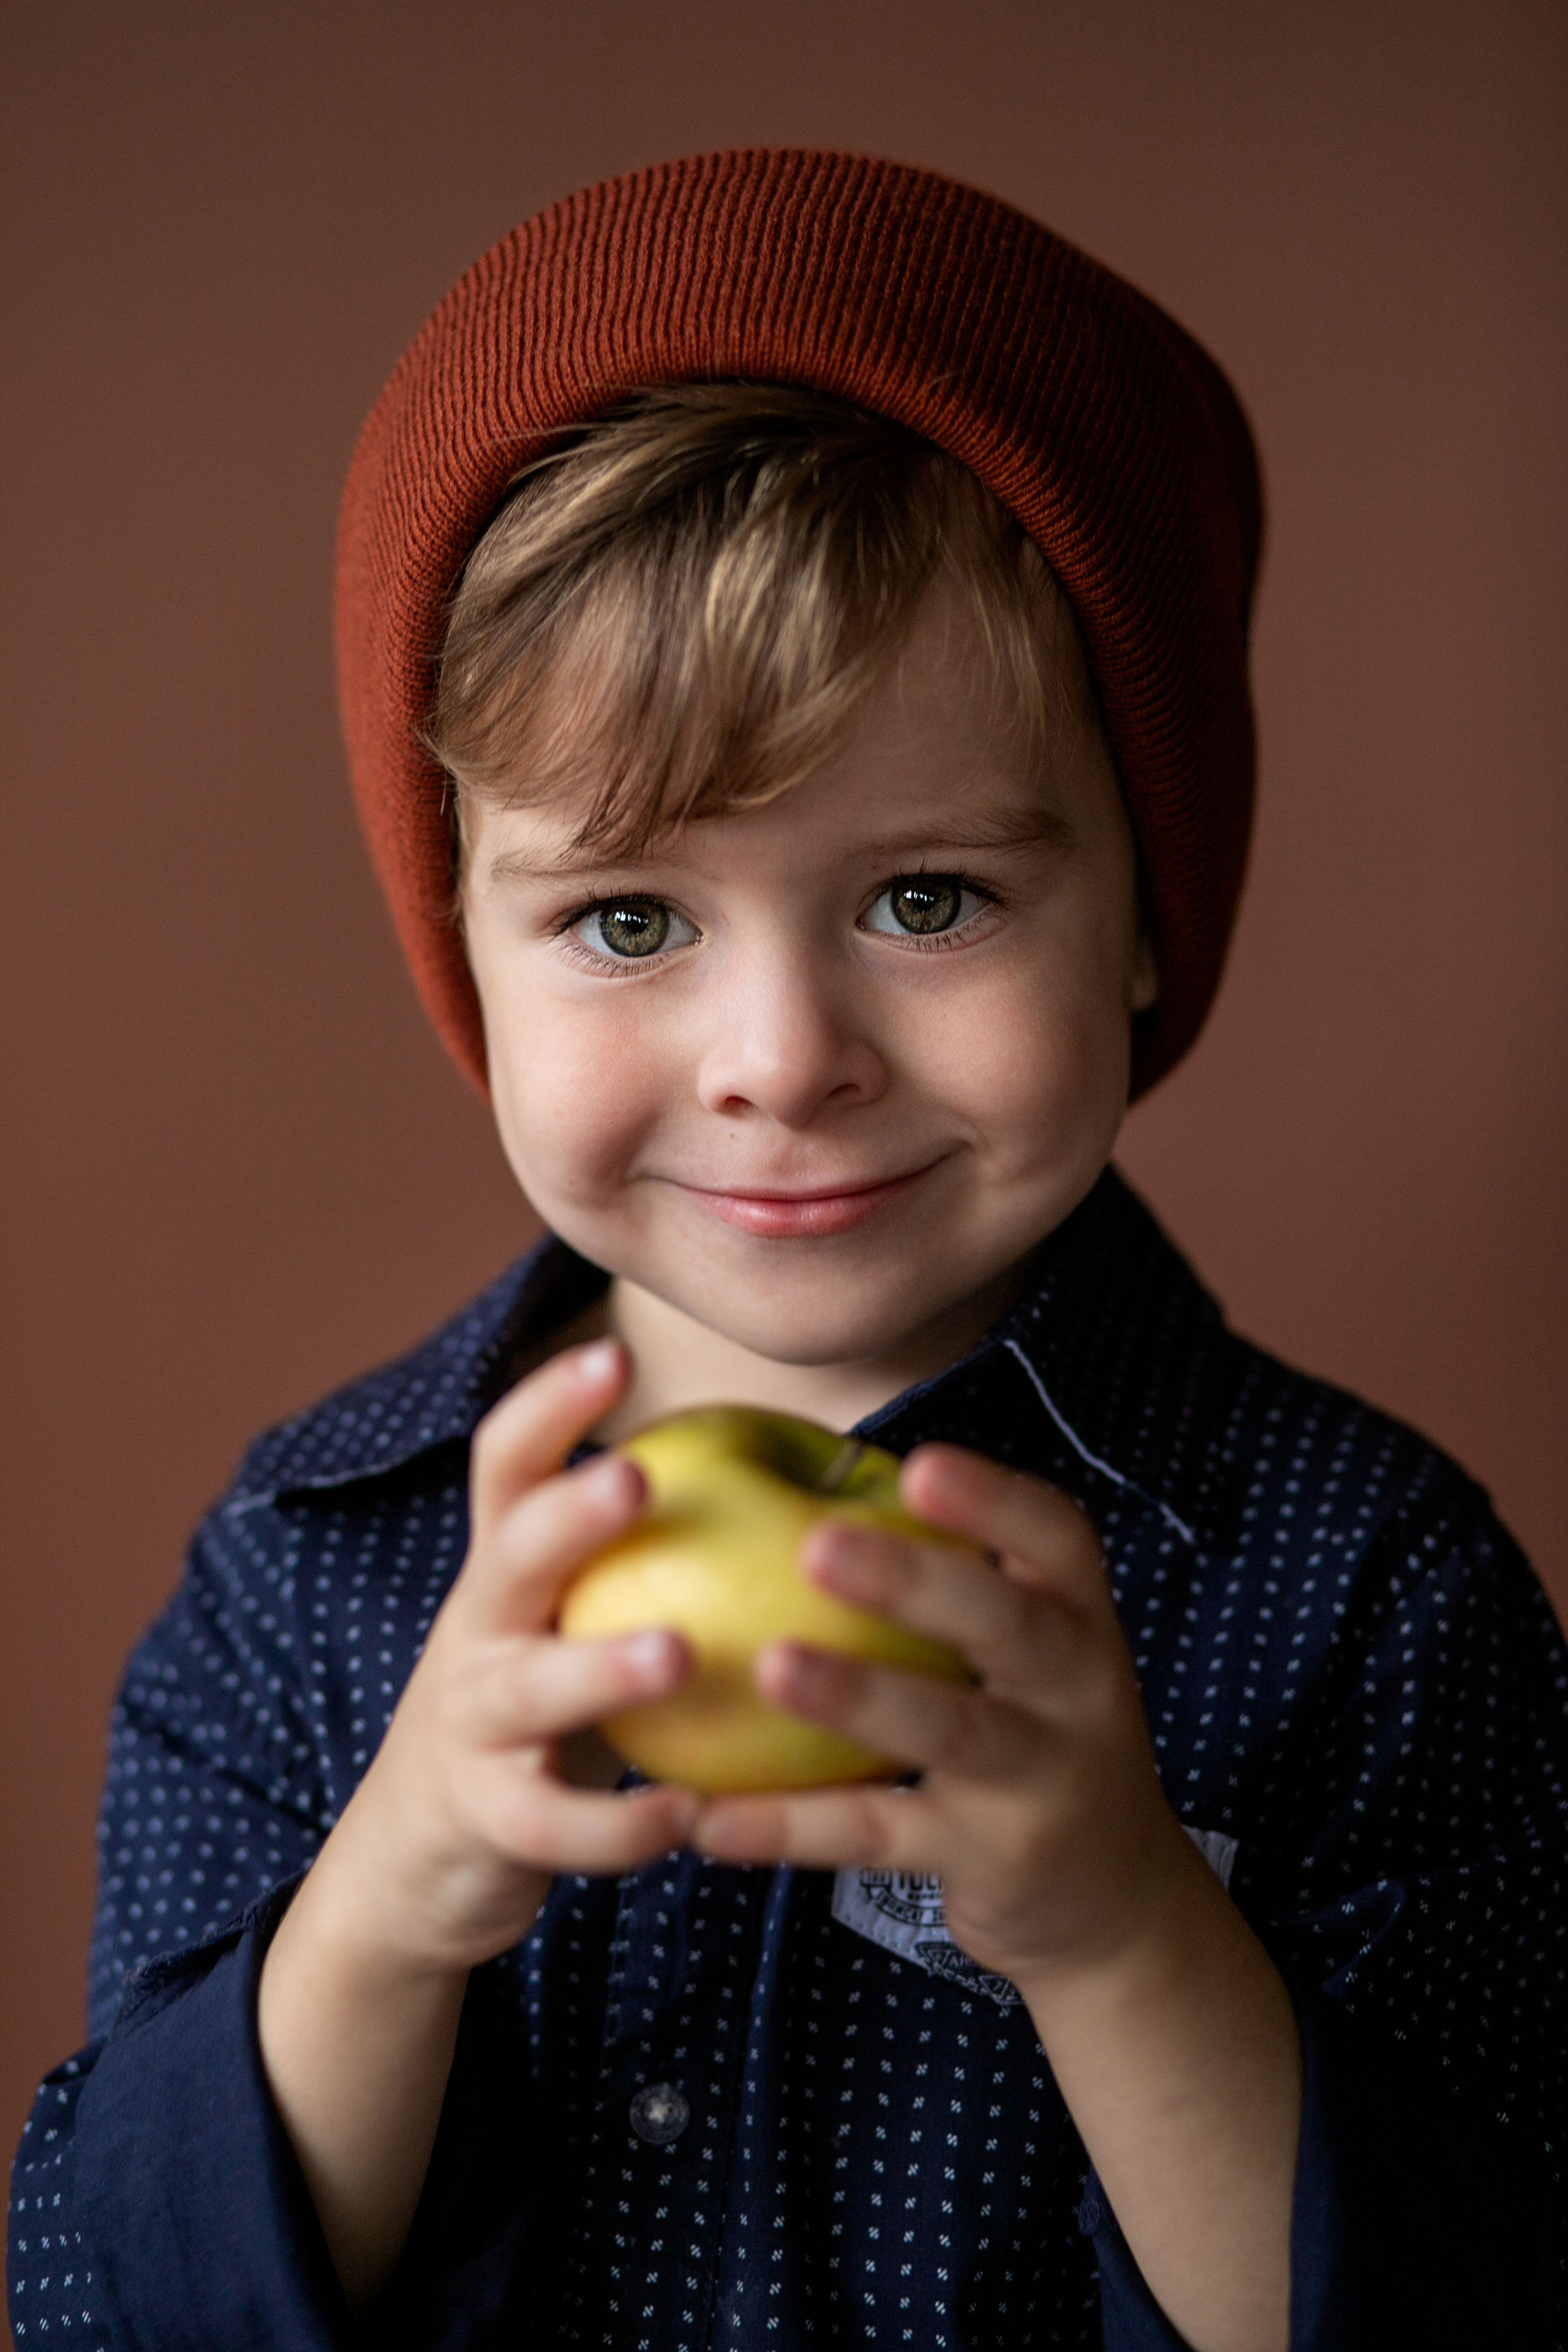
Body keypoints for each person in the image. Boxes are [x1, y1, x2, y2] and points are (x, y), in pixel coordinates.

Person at [8, 151, 1565, 2352]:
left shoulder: (1370, 1598)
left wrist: (1122, 1931)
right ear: (466, 949)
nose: (780, 1060)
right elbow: (112, 2307)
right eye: (629, 918)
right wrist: (390, 1908)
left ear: (1142, 912)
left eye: (929, 899)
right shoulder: (306, 1579)